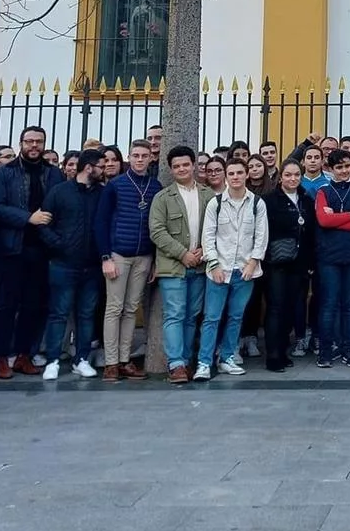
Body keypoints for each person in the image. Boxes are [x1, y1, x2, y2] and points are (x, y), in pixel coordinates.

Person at [0, 126, 64, 379]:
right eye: (29, 141)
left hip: (41, 249)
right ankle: (1, 356)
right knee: (7, 304)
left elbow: (58, 207)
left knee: (35, 305)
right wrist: (28, 218)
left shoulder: (54, 174)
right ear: (21, 143)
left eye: (38, 142)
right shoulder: (5, 173)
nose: (34, 146)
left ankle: (24, 355)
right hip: (11, 247)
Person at [94, 140, 160, 381]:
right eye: (135, 155)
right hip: (118, 255)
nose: (140, 159)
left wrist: (154, 259)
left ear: (151, 158)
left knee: (132, 309)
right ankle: (111, 361)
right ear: (129, 158)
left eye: (144, 155)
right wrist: (105, 257)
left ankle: (125, 359)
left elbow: (156, 223)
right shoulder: (115, 185)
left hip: (143, 255)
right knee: (114, 308)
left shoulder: (155, 186)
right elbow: (101, 222)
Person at [149, 145, 214, 384]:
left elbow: (217, 227)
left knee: (192, 315)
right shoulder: (162, 198)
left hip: (200, 265)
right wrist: (183, 253)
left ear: (194, 165)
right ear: (171, 169)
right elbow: (157, 231)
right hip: (173, 266)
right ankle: (176, 364)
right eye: (176, 166)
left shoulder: (208, 195)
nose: (182, 169)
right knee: (175, 315)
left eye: (185, 164)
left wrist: (204, 251)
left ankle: (186, 360)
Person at [196, 157, 266, 379]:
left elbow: (261, 236)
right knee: (212, 318)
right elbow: (208, 236)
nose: (235, 177)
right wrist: (214, 264)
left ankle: (227, 357)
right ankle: (204, 362)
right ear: (226, 176)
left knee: (236, 316)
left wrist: (253, 262)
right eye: (231, 173)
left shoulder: (257, 203)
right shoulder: (215, 204)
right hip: (219, 270)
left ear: (246, 174)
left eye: (239, 173)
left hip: (245, 271)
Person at [39, 147, 105, 381]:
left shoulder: (101, 193)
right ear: (89, 167)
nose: (104, 170)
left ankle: (82, 359)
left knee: (86, 314)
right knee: (59, 313)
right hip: (63, 263)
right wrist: (59, 245)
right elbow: (43, 223)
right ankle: (53, 359)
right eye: (100, 166)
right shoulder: (59, 192)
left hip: (92, 264)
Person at [314, 149, 350, 368]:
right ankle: (326, 350)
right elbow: (323, 220)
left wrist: (335, 218)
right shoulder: (323, 192)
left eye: (347, 166)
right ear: (331, 169)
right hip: (329, 256)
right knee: (329, 304)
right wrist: (349, 215)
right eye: (339, 167)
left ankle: (349, 348)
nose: (344, 170)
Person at [262, 161, 313, 372]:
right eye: (288, 175)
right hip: (276, 262)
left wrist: (310, 262)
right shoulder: (269, 201)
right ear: (281, 177)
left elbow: (311, 233)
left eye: (296, 175)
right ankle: (273, 355)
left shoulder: (306, 200)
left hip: (299, 263)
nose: (293, 179)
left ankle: (283, 350)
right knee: (276, 307)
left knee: (292, 307)